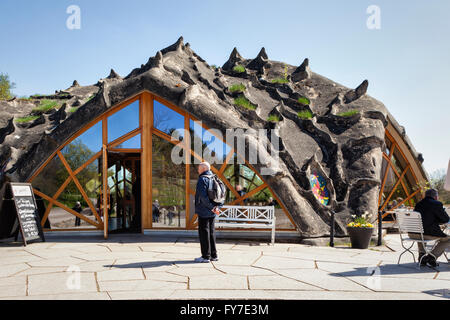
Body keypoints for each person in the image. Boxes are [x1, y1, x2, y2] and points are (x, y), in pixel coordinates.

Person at [409, 188, 450, 267]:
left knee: (421, 230)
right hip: (426, 234)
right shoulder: (437, 204)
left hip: (412, 233)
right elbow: (445, 219)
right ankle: (432, 257)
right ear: (435, 197)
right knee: (448, 239)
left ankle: (422, 256)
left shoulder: (419, 204)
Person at [194, 162, 221, 263]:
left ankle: (205, 256)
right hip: (213, 210)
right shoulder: (215, 178)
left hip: (204, 210)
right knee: (211, 232)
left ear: (204, 168)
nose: (198, 170)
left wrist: (211, 207)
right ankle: (214, 255)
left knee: (204, 233)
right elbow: (221, 194)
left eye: (199, 168)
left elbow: (203, 197)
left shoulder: (202, 179)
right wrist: (216, 208)